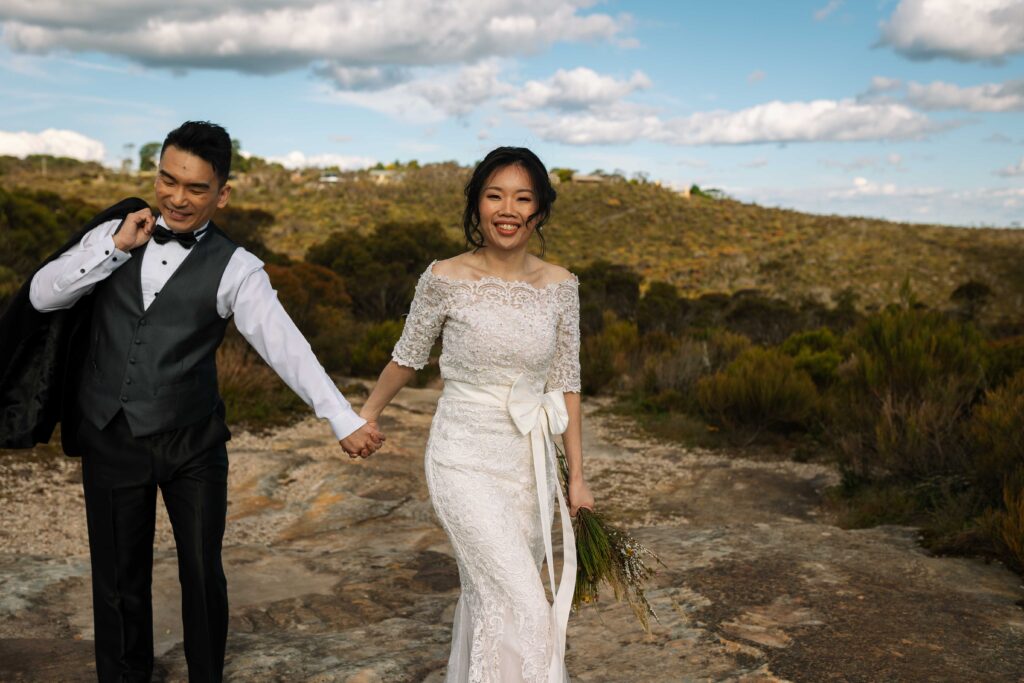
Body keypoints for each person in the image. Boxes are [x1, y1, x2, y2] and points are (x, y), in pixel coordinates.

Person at [22, 121, 383, 682]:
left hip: (192, 442)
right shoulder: (112, 235)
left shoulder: (238, 267)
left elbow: (285, 347)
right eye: (168, 180)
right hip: (111, 434)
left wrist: (341, 417)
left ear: (222, 193)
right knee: (118, 581)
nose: (177, 197)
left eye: (195, 187)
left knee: (201, 573)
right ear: (157, 175)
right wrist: (116, 248)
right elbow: (43, 294)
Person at [359, 146, 594, 682]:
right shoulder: (444, 276)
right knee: (524, 600)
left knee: (491, 600)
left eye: (522, 197)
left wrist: (577, 477)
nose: (507, 208)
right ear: (477, 206)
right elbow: (407, 356)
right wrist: (365, 414)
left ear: (539, 210)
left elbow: (567, 385)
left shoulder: (562, 286)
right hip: (462, 459)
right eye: (494, 195)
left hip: (528, 467)